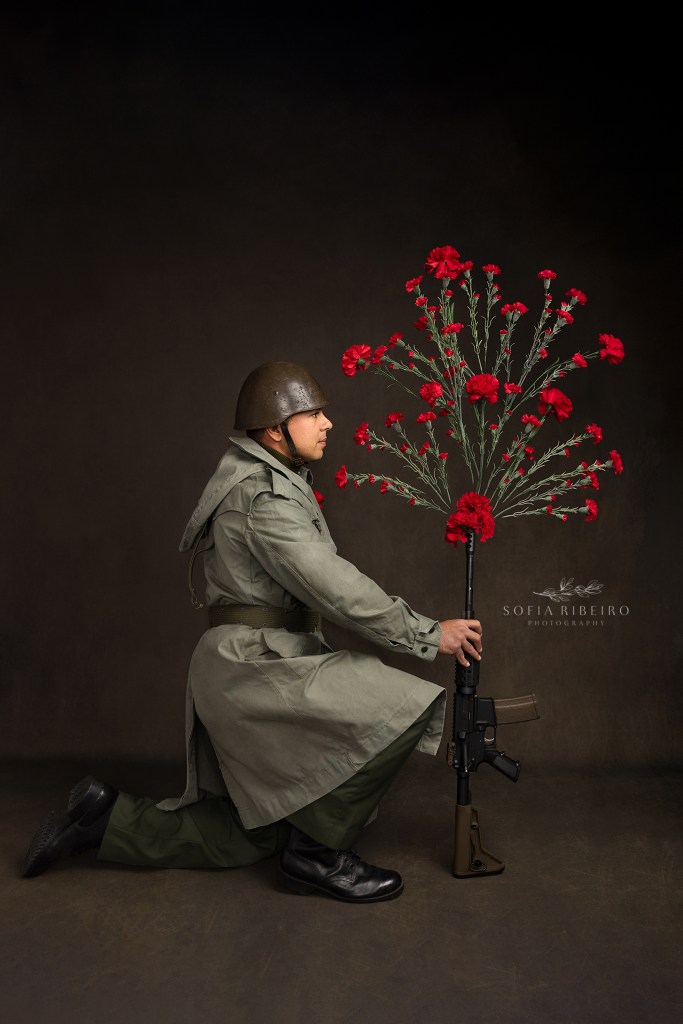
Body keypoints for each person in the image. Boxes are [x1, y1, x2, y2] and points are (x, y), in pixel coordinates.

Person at [22, 361, 482, 904]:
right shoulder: (265, 498)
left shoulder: (262, 478)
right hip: (253, 667)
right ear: (274, 430)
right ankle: (316, 855)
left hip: (244, 662)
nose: (327, 423)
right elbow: (335, 588)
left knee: (246, 835)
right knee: (406, 704)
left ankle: (104, 819)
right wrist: (428, 632)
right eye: (312, 414)